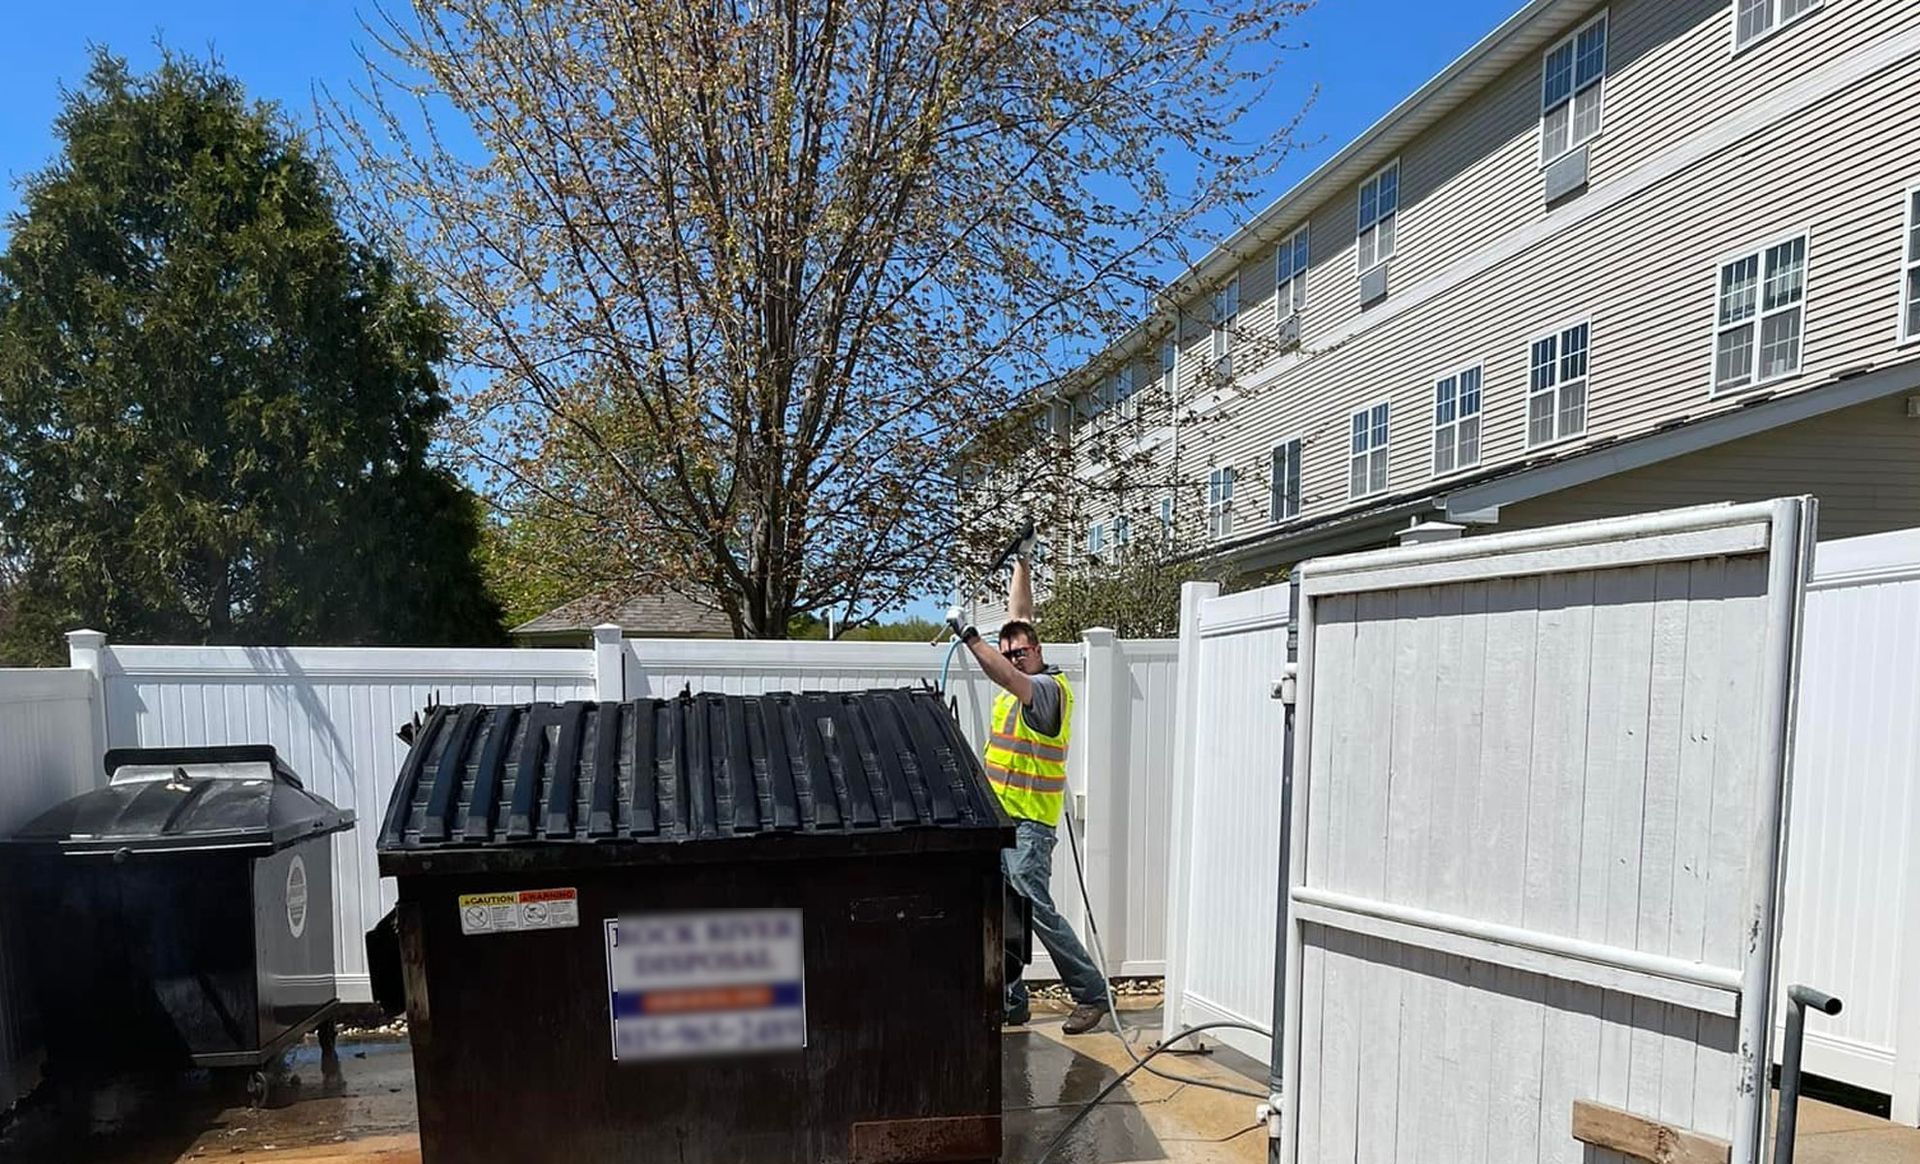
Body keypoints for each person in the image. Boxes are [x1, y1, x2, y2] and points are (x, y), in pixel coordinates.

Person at [946, 536, 1111, 1035]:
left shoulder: (1044, 690)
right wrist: (1022, 560)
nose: (1016, 656)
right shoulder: (1025, 663)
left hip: (1029, 827)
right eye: (1010, 651)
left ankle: (1091, 991)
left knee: (1036, 908)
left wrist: (971, 635)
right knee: (1002, 911)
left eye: (1023, 650)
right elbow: (1020, 615)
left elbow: (1004, 671)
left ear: (1039, 652)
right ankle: (1013, 999)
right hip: (1001, 821)